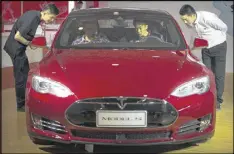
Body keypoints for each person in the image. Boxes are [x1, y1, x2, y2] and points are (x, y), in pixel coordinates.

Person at [3, 4, 60, 112]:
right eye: (51, 17)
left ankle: (25, 99)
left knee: (25, 71)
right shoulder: (33, 18)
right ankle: (21, 106)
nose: (52, 20)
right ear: (45, 13)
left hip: (18, 48)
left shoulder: (35, 16)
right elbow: (18, 36)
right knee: (21, 77)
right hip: (16, 49)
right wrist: (29, 43)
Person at [179, 4, 228, 110]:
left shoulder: (207, 18)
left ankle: (218, 101)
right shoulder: (190, 23)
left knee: (219, 74)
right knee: (207, 74)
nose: (185, 22)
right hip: (206, 49)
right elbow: (194, 37)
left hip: (219, 47)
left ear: (191, 15)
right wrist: (189, 49)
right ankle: (208, 98)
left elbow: (224, 27)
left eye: (186, 19)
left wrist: (216, 39)